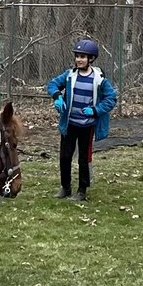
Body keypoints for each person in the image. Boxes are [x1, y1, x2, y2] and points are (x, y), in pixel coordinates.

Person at [47, 38, 117, 202]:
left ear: (91, 59)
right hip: (69, 124)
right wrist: (57, 97)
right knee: (65, 156)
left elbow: (111, 99)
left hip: (87, 126)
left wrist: (95, 110)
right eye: (77, 56)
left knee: (83, 159)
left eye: (83, 56)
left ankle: (82, 190)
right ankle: (65, 187)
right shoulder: (69, 75)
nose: (79, 59)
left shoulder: (99, 79)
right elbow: (52, 84)